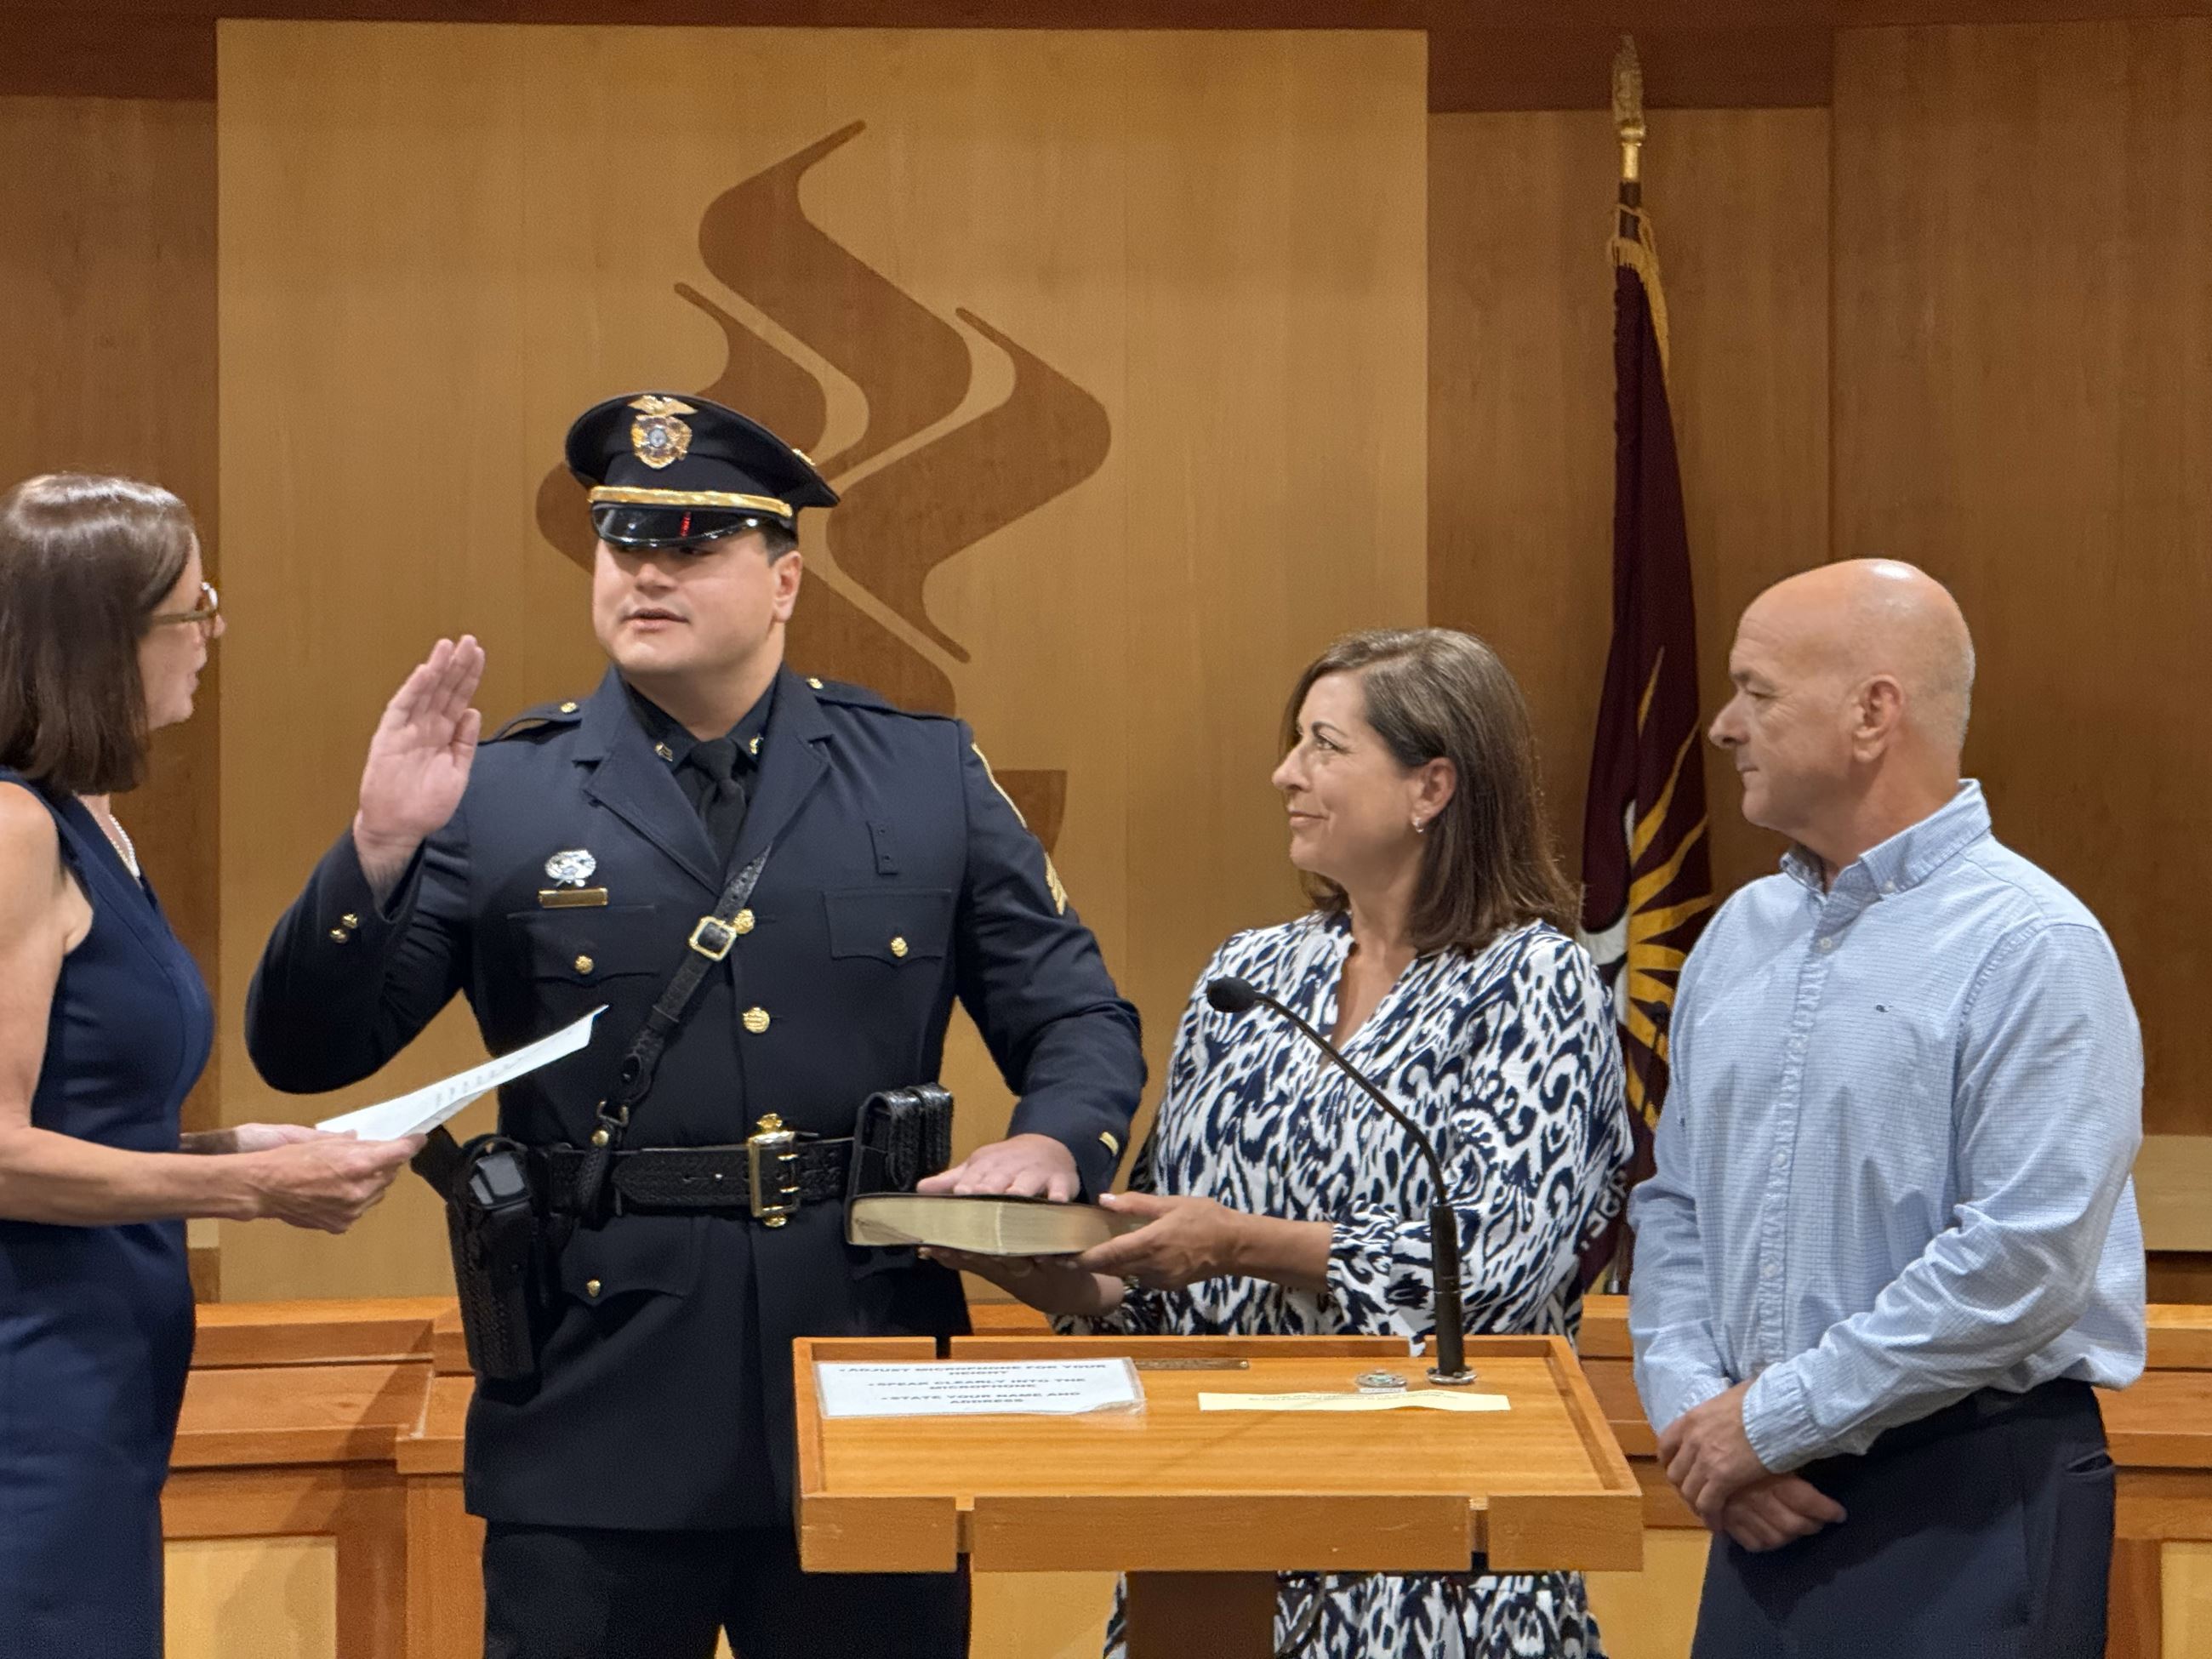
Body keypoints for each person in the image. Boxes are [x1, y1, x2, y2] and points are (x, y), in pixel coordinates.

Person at [244, 393, 1146, 1659]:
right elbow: (307, 1051)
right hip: (596, 1397)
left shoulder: (922, 772)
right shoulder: (500, 791)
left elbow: (1079, 1016)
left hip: (864, 1375)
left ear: (783, 580)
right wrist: (378, 850)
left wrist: (1055, 1144)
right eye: (625, 545)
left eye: (692, 544)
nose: (648, 572)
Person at [949, 628, 1632, 1657]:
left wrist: (1235, 1243)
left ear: (1430, 787)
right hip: (1219, 1531)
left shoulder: (1532, 981)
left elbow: (1486, 1269)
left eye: (1323, 746)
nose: (1285, 773)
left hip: (1433, 1553)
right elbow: (1158, 1269)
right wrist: (1035, 1262)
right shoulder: (1251, 974)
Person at [1628, 559, 2144, 1657]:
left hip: (1963, 1495)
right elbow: (1673, 1208)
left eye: (1756, 691)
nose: (1722, 726)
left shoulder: (2033, 945)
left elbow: (2024, 1257)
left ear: (1874, 712)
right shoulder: (1738, 937)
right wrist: (1697, 1417)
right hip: (1752, 1500)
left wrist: (1768, 1421)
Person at [0, 474, 419, 1659]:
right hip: (32, 1380)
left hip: (107, 1370)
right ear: (105, 635)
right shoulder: (13, 829)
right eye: (195, 607)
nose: (213, 633)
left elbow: (81, 1108)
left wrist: (232, 1147)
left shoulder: (92, 820)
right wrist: (246, 1191)